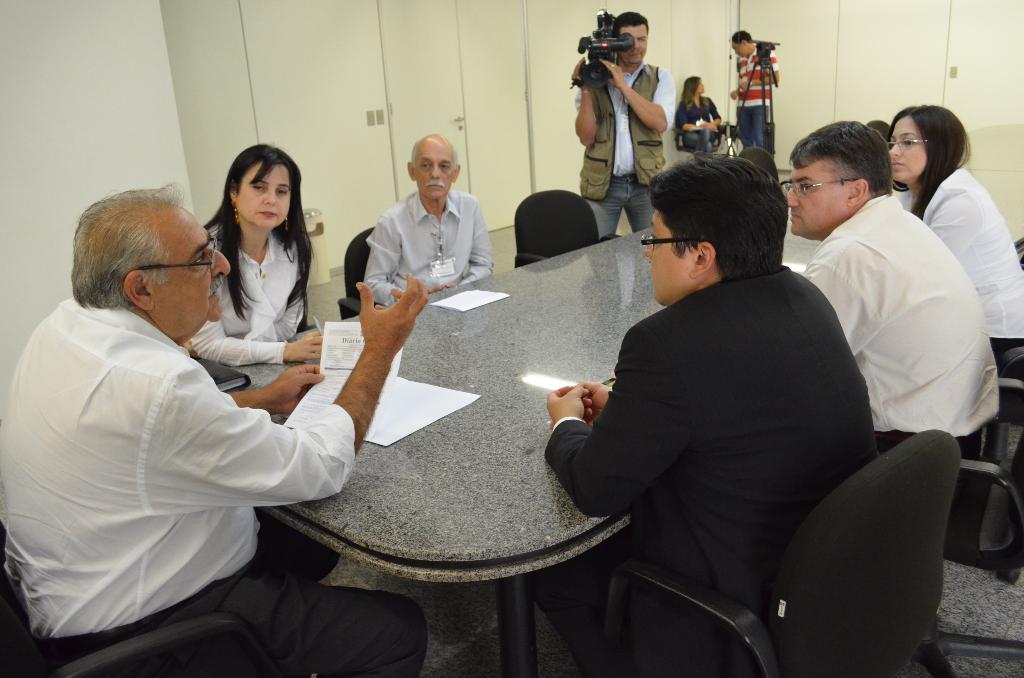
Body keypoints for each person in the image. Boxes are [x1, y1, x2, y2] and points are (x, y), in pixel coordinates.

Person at [0, 187, 429, 677]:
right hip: (150, 633)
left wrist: (257, 400)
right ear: (141, 289)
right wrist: (378, 351)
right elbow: (322, 467)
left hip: (78, 590)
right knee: (396, 630)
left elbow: (140, 429)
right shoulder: (157, 386)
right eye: (202, 259)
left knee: (307, 542)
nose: (223, 267)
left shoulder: (65, 326)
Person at [535, 157, 877, 678]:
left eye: (655, 241)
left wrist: (567, 423)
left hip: (734, 596)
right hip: (820, 567)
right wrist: (633, 412)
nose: (649, 256)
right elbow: (734, 409)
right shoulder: (804, 295)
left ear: (700, 256)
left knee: (556, 578)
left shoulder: (663, 343)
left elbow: (594, 488)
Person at [788, 121, 997, 453]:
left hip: (905, 455)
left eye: (805, 186)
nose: (791, 200)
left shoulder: (847, 255)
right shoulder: (899, 221)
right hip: (953, 441)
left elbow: (795, 371)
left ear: (855, 190)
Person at [888, 105, 1024, 355]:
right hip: (962, 315)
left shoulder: (960, 199)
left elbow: (922, 274)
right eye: (892, 142)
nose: (894, 152)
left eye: (907, 143)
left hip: (999, 331)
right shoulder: (913, 193)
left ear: (940, 146)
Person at [189, 144, 322, 366]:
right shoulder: (206, 253)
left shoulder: (296, 248)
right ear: (234, 192)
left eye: (281, 191)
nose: (271, 199)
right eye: (259, 188)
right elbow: (207, 345)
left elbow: (288, 326)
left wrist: (261, 350)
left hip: (267, 367)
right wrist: (283, 352)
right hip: (215, 375)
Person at [572, 11, 676, 239]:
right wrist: (587, 86)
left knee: (654, 250)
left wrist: (623, 87)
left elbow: (660, 123)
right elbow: (586, 137)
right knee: (597, 254)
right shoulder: (595, 77)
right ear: (614, 41)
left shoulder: (660, 77)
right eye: (628, 40)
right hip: (602, 184)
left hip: (647, 183)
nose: (636, 46)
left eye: (642, 39)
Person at [365, 133, 493, 307]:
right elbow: (373, 284)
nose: (435, 174)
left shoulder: (470, 207)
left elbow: (484, 265)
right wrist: (410, 298)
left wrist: (460, 290)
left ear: (455, 173)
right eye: (426, 165)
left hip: (460, 304)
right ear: (412, 171)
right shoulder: (392, 221)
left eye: (444, 166)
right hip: (411, 311)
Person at [729, 30, 779, 151]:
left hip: (759, 105)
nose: (736, 52)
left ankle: (761, 168)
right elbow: (744, 83)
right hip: (742, 105)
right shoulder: (742, 61)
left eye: (736, 48)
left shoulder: (767, 54)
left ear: (744, 43)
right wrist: (737, 91)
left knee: (759, 139)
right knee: (746, 140)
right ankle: (748, 168)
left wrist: (752, 83)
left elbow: (775, 78)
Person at [674, 75, 721, 153]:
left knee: (706, 133)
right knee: (708, 144)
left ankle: (698, 164)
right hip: (691, 135)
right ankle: (705, 164)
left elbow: (718, 118)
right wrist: (700, 126)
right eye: (700, 84)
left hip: (709, 133)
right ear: (693, 87)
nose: (703, 85)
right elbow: (684, 125)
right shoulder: (684, 104)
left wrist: (712, 124)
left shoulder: (707, 101)